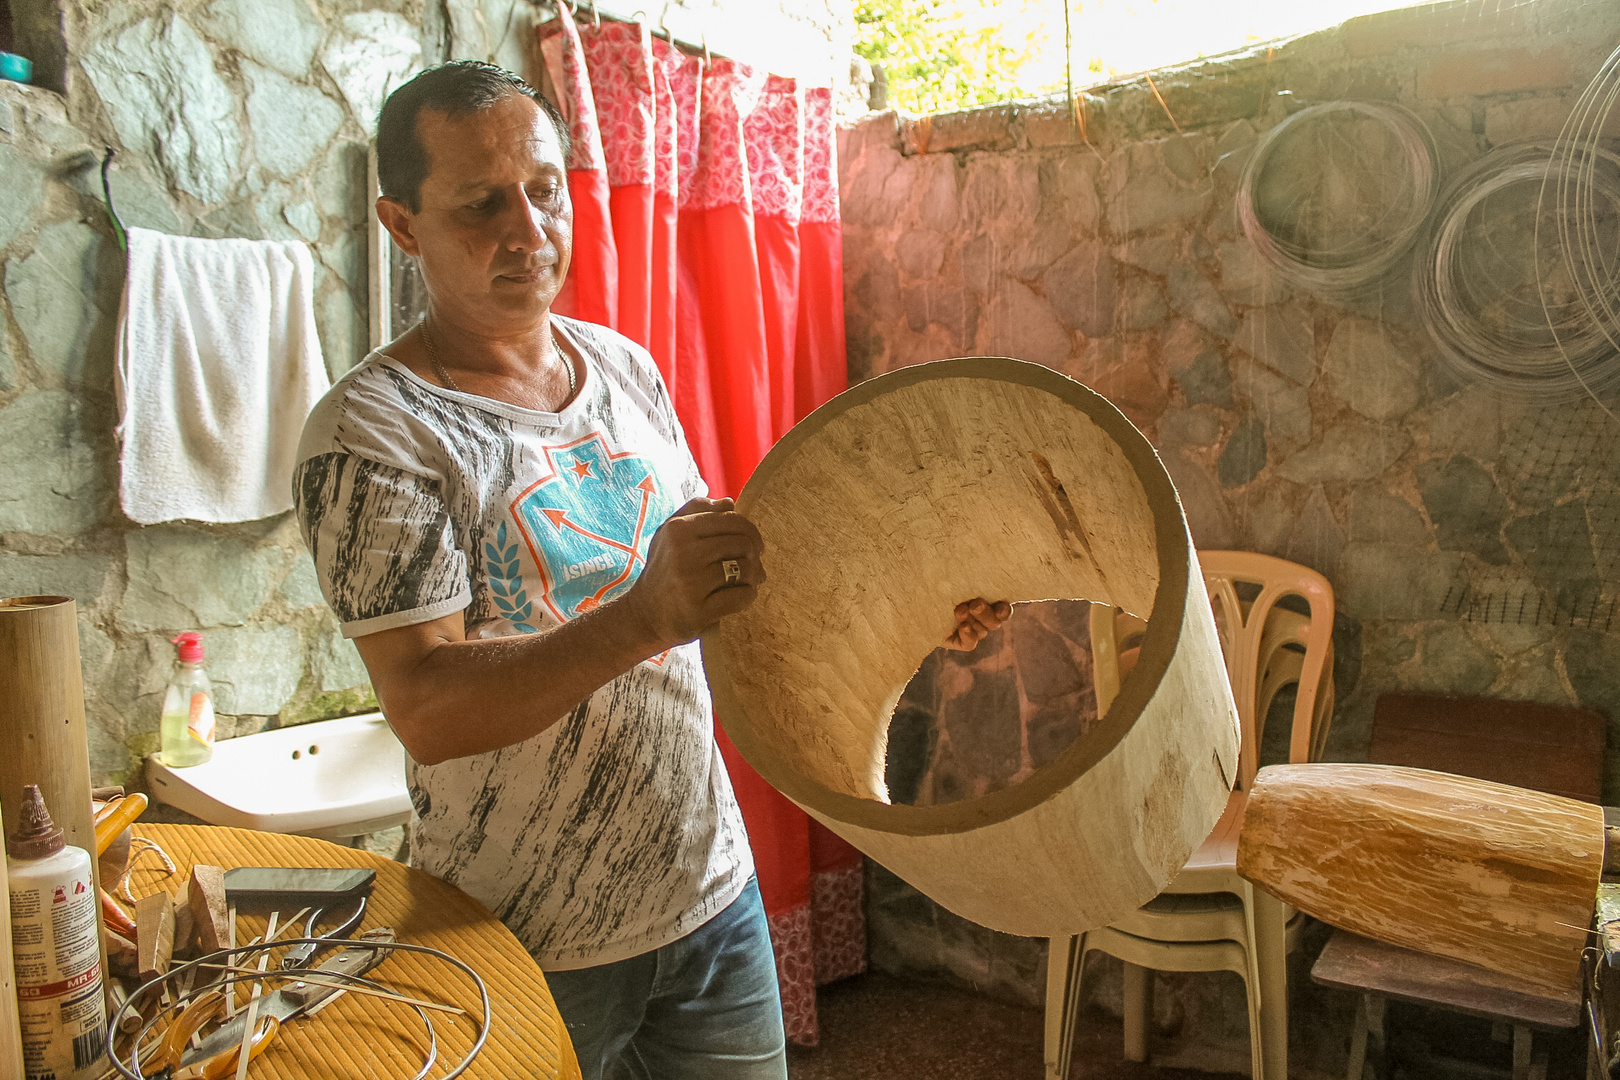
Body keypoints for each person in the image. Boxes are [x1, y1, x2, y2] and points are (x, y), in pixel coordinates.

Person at [292, 60, 1010, 1080]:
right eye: (481, 206)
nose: (529, 232)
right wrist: (641, 618)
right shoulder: (374, 433)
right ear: (402, 225)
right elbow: (427, 705)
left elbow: (718, 588)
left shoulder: (625, 369)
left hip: (708, 903)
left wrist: (911, 603)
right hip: (519, 943)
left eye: (544, 190)